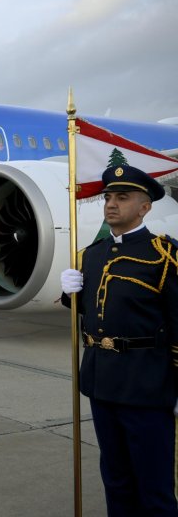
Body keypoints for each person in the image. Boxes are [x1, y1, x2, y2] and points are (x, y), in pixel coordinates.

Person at [61, 164, 178, 516]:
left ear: (145, 207)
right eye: (108, 197)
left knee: (154, 485)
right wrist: (69, 295)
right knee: (115, 478)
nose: (111, 204)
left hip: (147, 385)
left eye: (122, 197)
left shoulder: (163, 256)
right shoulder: (91, 255)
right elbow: (94, 311)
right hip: (102, 383)